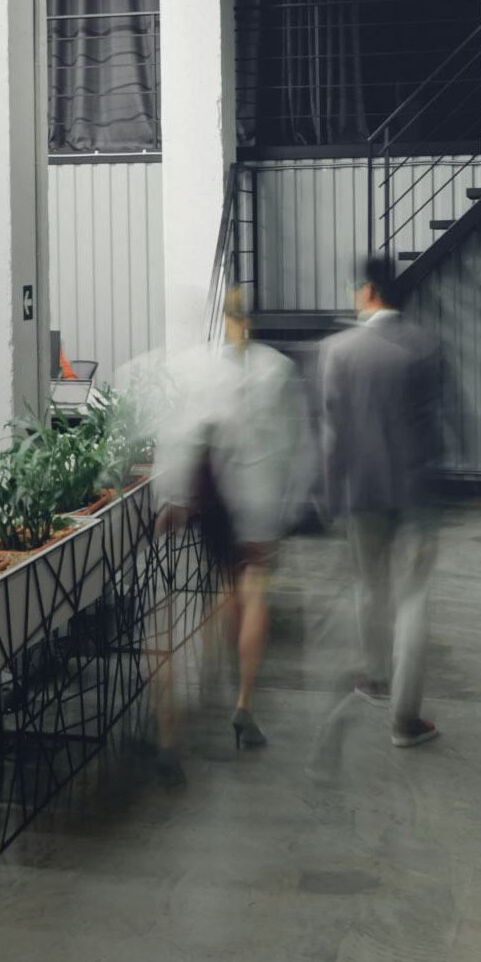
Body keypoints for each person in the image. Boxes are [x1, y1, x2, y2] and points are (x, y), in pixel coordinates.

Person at [156, 287, 314, 753]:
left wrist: (176, 498)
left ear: (220, 320)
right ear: (252, 319)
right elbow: (299, 443)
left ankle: (211, 673)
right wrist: (294, 504)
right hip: (262, 499)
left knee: (225, 586)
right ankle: (245, 701)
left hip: (220, 499)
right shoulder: (277, 369)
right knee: (255, 590)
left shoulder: (201, 369)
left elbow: (185, 434)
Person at [319, 257, 447, 749]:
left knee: (369, 589)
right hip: (415, 493)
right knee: (413, 600)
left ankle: (375, 678)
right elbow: (438, 422)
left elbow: (333, 435)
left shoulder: (338, 350)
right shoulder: (425, 344)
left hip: (362, 493)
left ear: (369, 291)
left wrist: (332, 495)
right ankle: (405, 720)